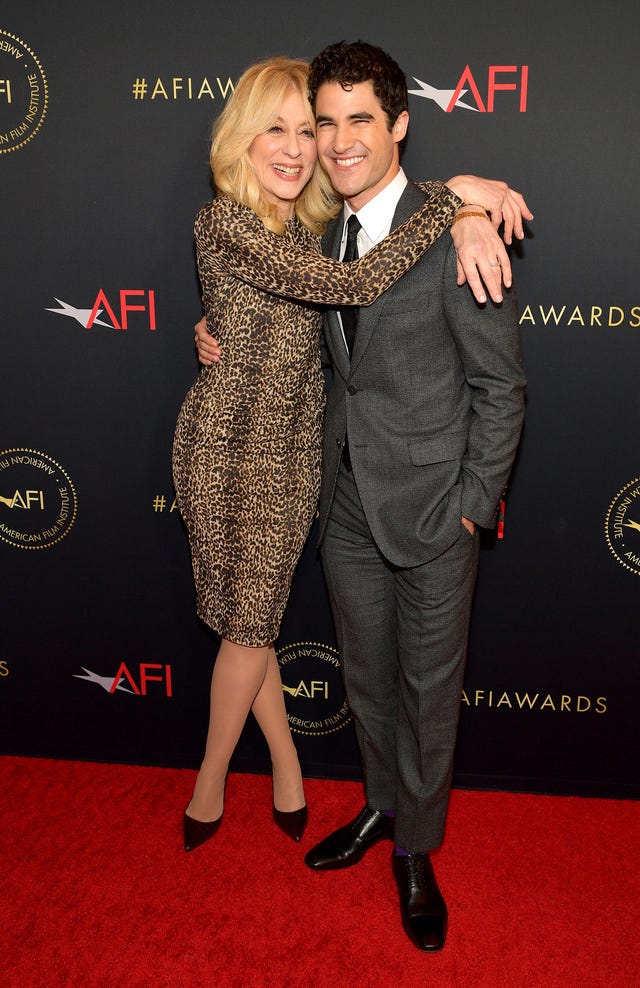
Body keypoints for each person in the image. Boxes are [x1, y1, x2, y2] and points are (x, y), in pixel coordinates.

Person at [181, 55, 529, 862]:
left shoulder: (456, 238)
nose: (331, 143)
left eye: (353, 120)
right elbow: (274, 320)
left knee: (429, 693)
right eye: (318, 122)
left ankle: (417, 851)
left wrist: (477, 501)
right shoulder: (318, 233)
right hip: (337, 500)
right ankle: (379, 805)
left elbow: (501, 385)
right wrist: (210, 337)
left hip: (437, 505)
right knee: (366, 680)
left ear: (400, 125)